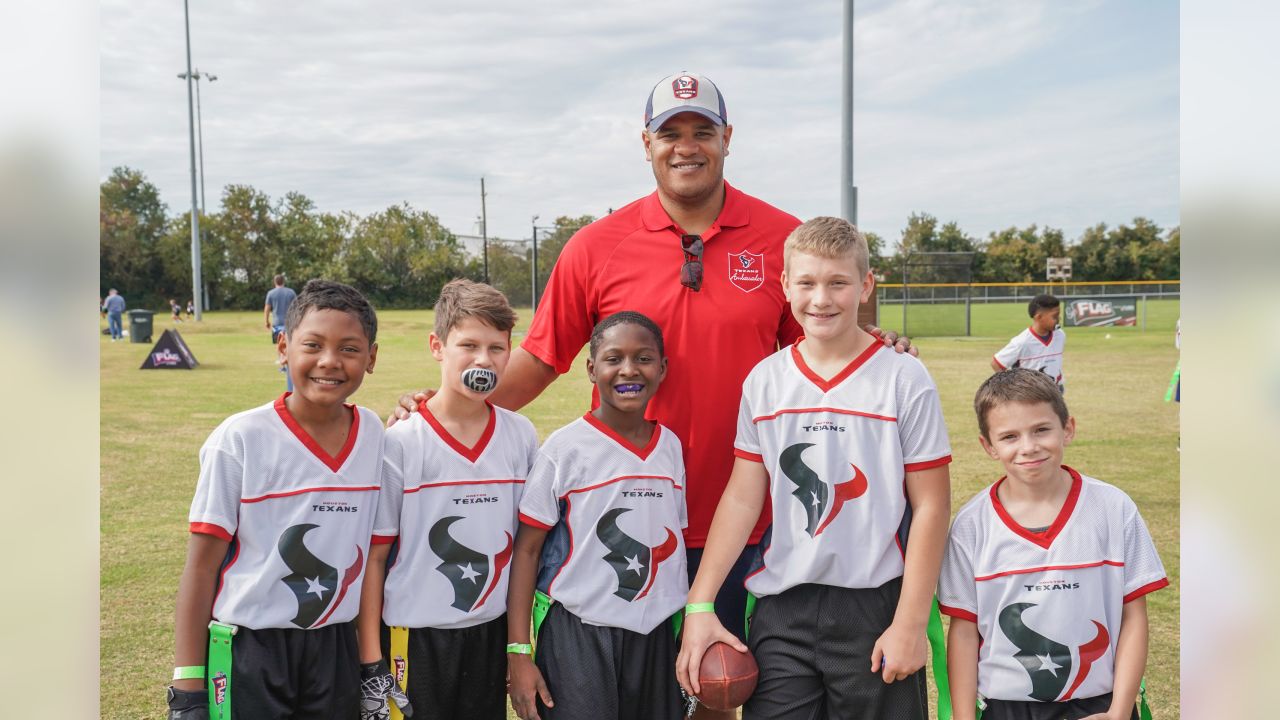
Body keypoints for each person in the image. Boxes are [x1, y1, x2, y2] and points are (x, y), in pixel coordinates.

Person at [389, 75, 913, 697]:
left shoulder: (781, 238)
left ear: (727, 139)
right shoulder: (594, 247)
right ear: (646, 143)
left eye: (702, 132)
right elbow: (540, 358)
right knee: (619, 691)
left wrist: (883, 345)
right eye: (670, 133)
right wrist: (448, 410)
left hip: (746, 519)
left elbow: (824, 335)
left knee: (724, 688)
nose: (686, 147)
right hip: (621, 521)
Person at [677, 217, 953, 720]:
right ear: (784, 286)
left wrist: (911, 621)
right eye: (805, 283)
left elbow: (931, 503)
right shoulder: (766, 380)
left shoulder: (903, 377)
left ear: (865, 285)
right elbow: (742, 496)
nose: (820, 299)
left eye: (838, 283)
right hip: (783, 610)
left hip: (875, 607)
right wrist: (700, 604)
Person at [165, 280, 383, 720]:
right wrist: (188, 685)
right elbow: (202, 565)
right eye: (313, 345)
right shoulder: (240, 438)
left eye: (349, 349)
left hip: (334, 645)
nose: (329, 361)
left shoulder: (377, 434)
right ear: (283, 348)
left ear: (371, 358)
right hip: (251, 648)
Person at [938, 369, 1168, 720]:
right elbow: (965, 633)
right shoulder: (971, 526)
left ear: (1068, 428)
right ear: (988, 446)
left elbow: (1133, 615)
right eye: (1010, 436)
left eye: (1041, 429)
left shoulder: (1112, 508)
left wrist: (1119, 711)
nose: (1028, 447)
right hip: (1005, 707)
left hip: (1099, 705)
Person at [357, 280, 539, 720]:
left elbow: (526, 550)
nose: (483, 359)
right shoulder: (400, 442)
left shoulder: (521, 435)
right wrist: (370, 661)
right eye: (468, 345)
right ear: (437, 346)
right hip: (413, 638)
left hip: (488, 635)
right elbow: (374, 559)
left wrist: (519, 643)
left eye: (497, 347)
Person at [507, 311, 689, 720]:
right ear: (591, 369)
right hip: (580, 633)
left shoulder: (670, 447)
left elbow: (671, 541)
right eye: (613, 358)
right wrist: (519, 650)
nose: (629, 369)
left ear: (662, 369)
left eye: (644, 358)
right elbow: (527, 551)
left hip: (656, 632)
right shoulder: (564, 449)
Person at [992, 295, 1065, 393]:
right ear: (1039, 317)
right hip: (1031, 395)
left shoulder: (1060, 335)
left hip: (1056, 390)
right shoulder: (1022, 342)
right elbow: (996, 364)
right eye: (1055, 316)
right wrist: (1012, 387)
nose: (1058, 319)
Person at [266, 274, 299, 391]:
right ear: (283, 281)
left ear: (275, 282)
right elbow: (297, 306)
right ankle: (286, 365)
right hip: (290, 322)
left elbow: (267, 308)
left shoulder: (271, 293)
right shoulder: (291, 292)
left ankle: (282, 363)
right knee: (288, 343)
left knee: (279, 343)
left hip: (277, 322)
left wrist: (266, 321)